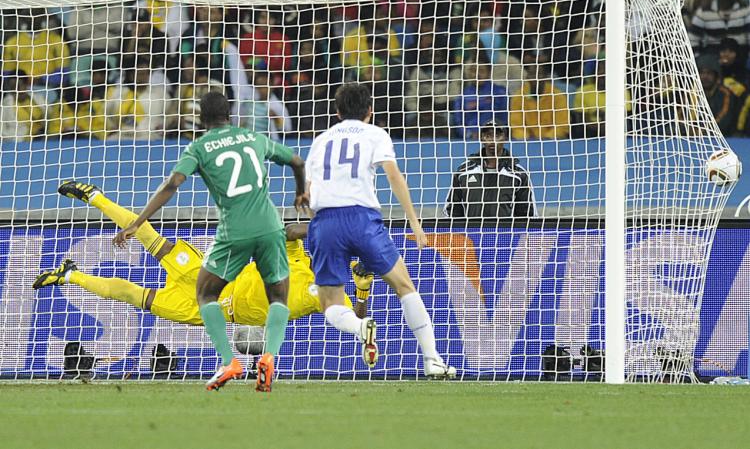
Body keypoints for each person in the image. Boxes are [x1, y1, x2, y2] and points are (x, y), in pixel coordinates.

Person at [112, 91, 308, 392]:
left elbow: (173, 184)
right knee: (278, 298)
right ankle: (269, 357)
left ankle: (230, 361)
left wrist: (138, 222)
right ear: (229, 114)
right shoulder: (252, 137)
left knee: (205, 294)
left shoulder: (199, 147)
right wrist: (300, 193)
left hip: (235, 231)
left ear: (201, 119)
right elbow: (296, 160)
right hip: (271, 226)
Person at [35, 182, 372, 330]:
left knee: (132, 295)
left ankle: (70, 275)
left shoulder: (327, 294)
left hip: (205, 310)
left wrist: (362, 290)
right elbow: (287, 233)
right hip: (210, 276)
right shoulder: (295, 259)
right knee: (151, 239)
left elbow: (355, 321)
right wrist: (322, 229)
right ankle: (95, 197)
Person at [305, 83, 456, 379]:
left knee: (330, 302)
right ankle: (432, 359)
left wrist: (317, 225)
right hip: (363, 219)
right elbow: (392, 175)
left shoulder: (320, 140)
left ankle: (360, 326)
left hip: (325, 221)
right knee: (404, 286)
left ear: (337, 112)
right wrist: (414, 221)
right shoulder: (375, 133)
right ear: (370, 112)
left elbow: (308, 190)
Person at [444, 120, 536, 219]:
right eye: (488, 136)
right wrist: (460, 234)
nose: (492, 140)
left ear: (505, 138)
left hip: (505, 234)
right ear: (482, 139)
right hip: (470, 233)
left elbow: (527, 213)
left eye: (497, 136)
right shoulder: (464, 171)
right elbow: (452, 209)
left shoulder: (518, 174)